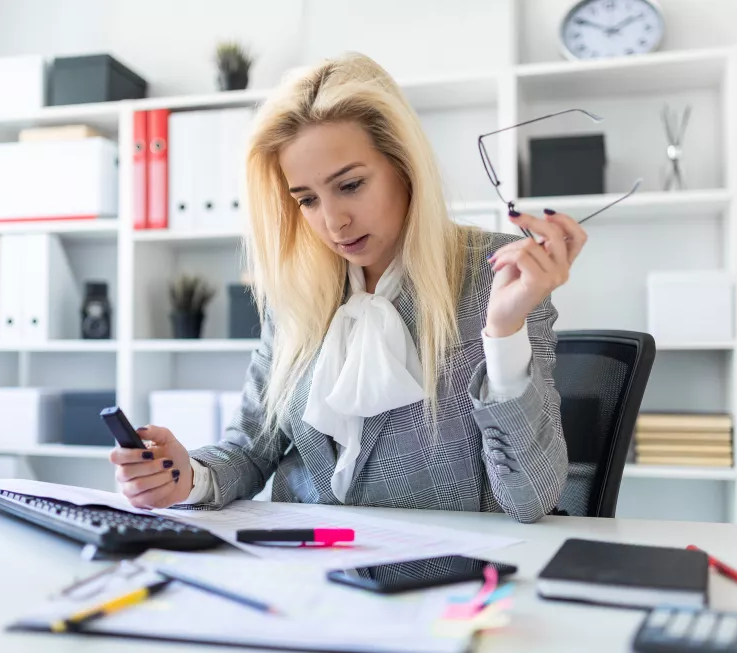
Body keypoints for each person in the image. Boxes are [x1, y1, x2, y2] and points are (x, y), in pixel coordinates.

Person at [110, 52, 587, 523]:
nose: (333, 222)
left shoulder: (496, 275)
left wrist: (504, 332)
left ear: (405, 166)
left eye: (351, 185)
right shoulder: (297, 290)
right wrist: (185, 476)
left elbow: (530, 498)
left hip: (442, 577)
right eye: (308, 200)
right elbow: (251, 449)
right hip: (302, 566)